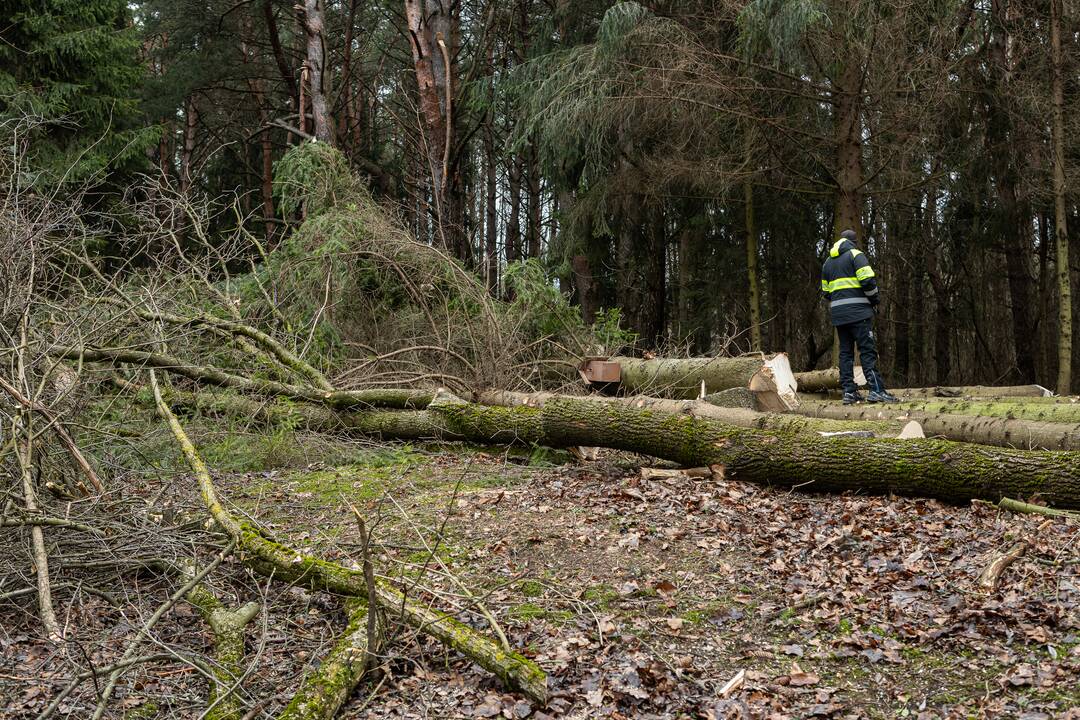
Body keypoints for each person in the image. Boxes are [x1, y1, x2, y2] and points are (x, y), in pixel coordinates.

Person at [820, 229, 899, 404]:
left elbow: (826, 292)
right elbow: (868, 282)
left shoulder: (827, 263)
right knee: (867, 350)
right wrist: (874, 299)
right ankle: (876, 390)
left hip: (839, 314)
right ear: (854, 242)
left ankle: (849, 392)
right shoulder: (856, 255)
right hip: (859, 312)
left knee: (845, 353)